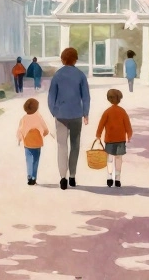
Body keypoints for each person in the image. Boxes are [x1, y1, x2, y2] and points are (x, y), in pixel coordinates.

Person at [47, 47, 90, 190]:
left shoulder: (58, 75)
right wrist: (86, 113)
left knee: (61, 146)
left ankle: (62, 178)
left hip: (61, 114)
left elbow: (51, 96)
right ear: (75, 59)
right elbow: (86, 97)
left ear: (62, 59)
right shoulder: (80, 75)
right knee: (75, 145)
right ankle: (72, 175)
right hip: (76, 114)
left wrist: (54, 111)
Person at [96, 88, 133, 188]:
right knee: (119, 159)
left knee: (109, 159)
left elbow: (101, 124)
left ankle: (109, 177)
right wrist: (129, 135)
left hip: (109, 139)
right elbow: (128, 125)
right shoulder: (122, 111)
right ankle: (117, 179)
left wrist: (98, 135)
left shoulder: (107, 112)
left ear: (109, 99)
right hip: (121, 139)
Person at [16, 97, 51, 185]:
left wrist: (20, 139)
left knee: (28, 159)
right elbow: (46, 129)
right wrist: (43, 134)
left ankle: (29, 176)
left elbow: (20, 130)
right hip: (37, 142)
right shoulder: (38, 117)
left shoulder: (23, 118)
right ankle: (34, 177)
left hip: (27, 142)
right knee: (36, 160)